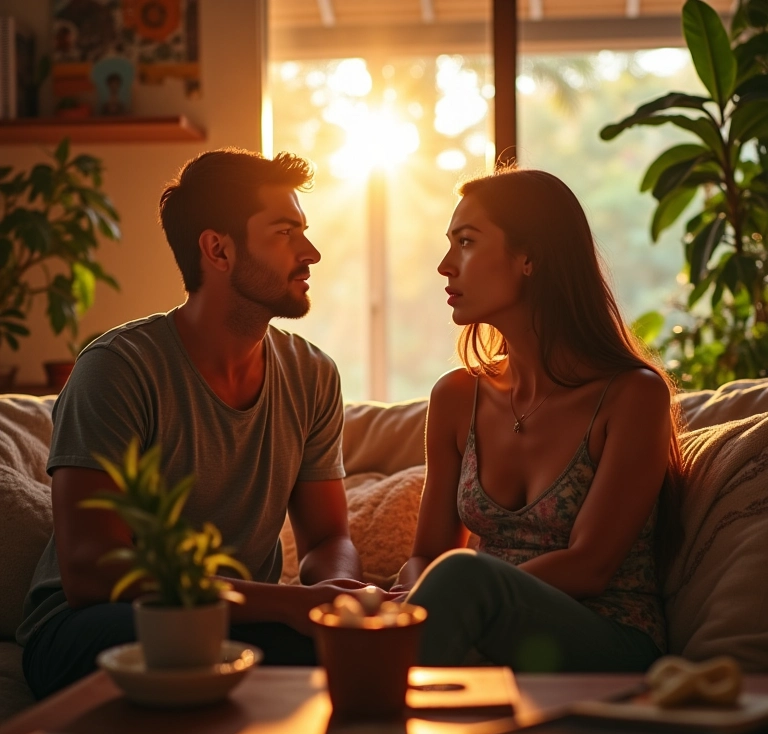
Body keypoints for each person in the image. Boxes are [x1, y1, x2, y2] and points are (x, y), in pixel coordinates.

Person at [17, 148, 382, 699]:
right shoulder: (117, 369)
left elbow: (328, 536)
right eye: (285, 232)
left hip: (238, 623)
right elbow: (92, 572)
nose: (311, 253)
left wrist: (335, 593)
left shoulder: (312, 375)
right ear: (218, 249)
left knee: (357, 642)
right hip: (93, 625)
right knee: (248, 646)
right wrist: (287, 604)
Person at [395, 165, 684, 673]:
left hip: (607, 640)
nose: (444, 265)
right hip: (478, 624)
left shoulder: (632, 396)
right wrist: (407, 601)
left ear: (529, 257)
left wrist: (462, 589)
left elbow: (590, 566)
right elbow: (426, 556)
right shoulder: (455, 397)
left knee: (462, 576)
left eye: (465, 242)